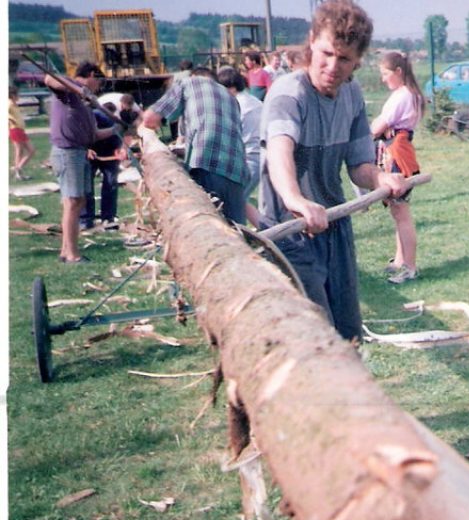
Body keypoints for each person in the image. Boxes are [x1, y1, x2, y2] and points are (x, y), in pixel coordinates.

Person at [259, 0, 411, 341]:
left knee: (346, 332)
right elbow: (279, 152)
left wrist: (380, 178)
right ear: (312, 40)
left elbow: (359, 165)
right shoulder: (289, 93)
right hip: (291, 231)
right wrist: (296, 200)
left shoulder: (352, 95)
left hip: (335, 225)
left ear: (358, 60)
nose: (332, 66)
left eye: (344, 58)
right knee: (316, 338)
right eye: (326, 53)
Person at [142, 67, 248, 224]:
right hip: (238, 171)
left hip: (207, 163)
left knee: (208, 226)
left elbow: (150, 119)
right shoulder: (231, 98)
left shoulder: (187, 83)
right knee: (238, 233)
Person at [44, 61, 115, 263]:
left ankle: (66, 250)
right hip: (67, 152)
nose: (99, 87)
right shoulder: (68, 89)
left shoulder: (85, 104)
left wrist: (115, 130)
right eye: (99, 82)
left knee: (77, 201)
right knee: (73, 201)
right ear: (92, 75)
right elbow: (49, 78)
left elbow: (94, 135)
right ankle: (72, 254)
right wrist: (78, 89)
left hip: (79, 151)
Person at [369, 51, 424, 284]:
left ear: (398, 72)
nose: (383, 79)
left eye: (385, 73)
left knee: (402, 214)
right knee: (397, 212)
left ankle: (409, 267)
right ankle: (400, 260)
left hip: (397, 155)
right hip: (396, 150)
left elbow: (377, 127)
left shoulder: (402, 96)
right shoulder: (406, 94)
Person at [217, 66, 263, 226]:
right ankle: (270, 235)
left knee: (229, 203)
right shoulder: (254, 101)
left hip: (248, 160)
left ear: (231, 88)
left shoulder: (236, 106)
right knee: (239, 200)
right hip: (261, 157)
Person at [81, 104, 124, 230]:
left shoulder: (109, 119)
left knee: (110, 182)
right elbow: (85, 135)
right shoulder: (86, 115)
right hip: (92, 148)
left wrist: (119, 149)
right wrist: (87, 149)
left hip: (109, 148)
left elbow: (121, 134)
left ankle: (108, 217)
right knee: (87, 185)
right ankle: (86, 219)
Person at [9, 85, 36, 181]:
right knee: (19, 151)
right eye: (17, 94)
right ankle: (18, 170)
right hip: (15, 129)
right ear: (12, 95)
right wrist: (10, 120)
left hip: (20, 130)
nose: (19, 96)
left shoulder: (14, 104)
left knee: (30, 150)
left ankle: (19, 169)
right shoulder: (9, 104)